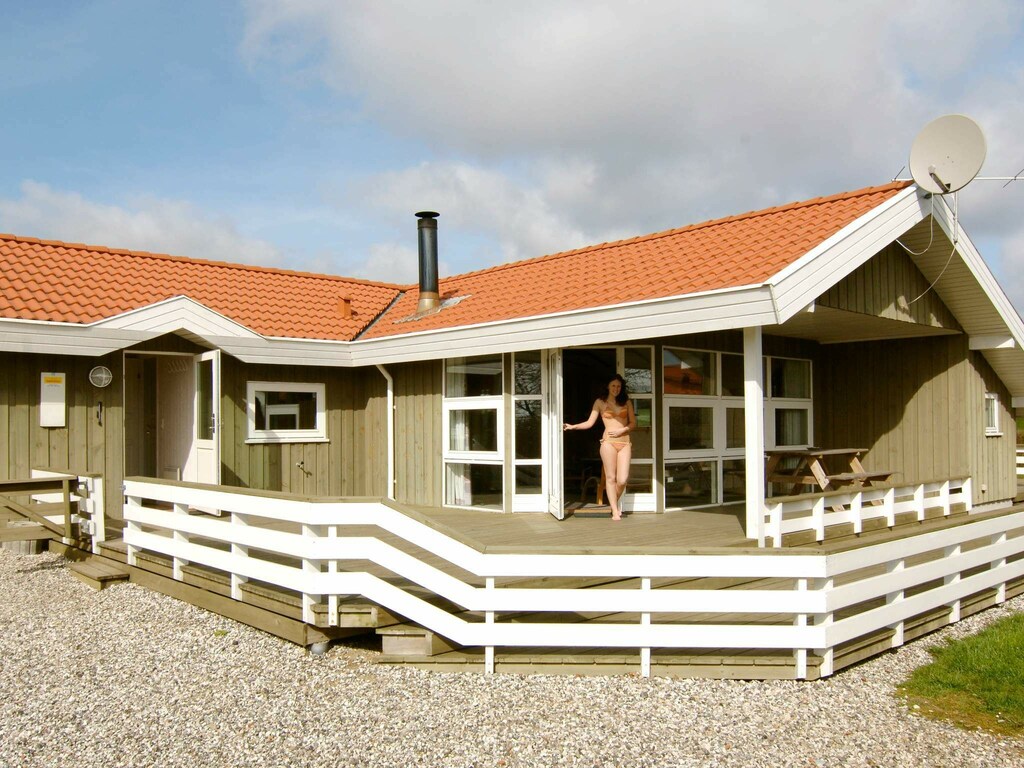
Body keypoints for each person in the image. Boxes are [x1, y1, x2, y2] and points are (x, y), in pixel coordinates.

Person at [563, 374, 636, 520]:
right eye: (613, 385)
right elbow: (589, 423)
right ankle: (614, 509)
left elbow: (633, 423)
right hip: (608, 443)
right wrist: (573, 426)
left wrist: (622, 430)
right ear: (608, 386)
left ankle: (612, 502)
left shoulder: (626, 402)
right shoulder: (600, 402)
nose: (616, 388)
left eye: (619, 386)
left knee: (622, 480)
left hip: (624, 443)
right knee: (610, 477)